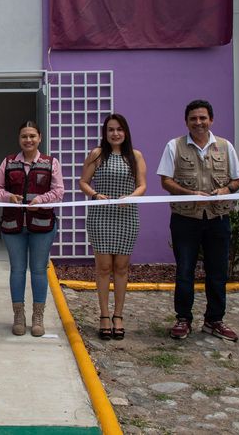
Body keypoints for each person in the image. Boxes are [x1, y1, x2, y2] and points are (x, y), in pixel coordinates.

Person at [156, 99, 239, 341]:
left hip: (218, 218)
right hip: (186, 218)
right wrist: (189, 193)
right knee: (185, 270)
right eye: (193, 118)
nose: (198, 122)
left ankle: (215, 320)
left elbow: (237, 179)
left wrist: (227, 190)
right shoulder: (174, 146)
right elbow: (166, 181)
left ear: (211, 120)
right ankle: (183, 318)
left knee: (217, 271)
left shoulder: (225, 147)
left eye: (203, 118)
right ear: (186, 122)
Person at [0, 121, 64, 337]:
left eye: (32, 136)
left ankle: (38, 316)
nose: (28, 140)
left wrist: (42, 199)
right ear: (19, 139)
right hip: (13, 226)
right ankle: (19, 315)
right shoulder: (9, 162)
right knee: (17, 270)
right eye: (24, 136)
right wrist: (7, 197)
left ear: (39, 138)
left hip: (42, 225)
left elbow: (59, 191)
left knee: (40, 270)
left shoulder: (51, 162)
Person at [80, 114, 146, 340]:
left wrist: (130, 197)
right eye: (110, 130)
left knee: (121, 267)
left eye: (119, 129)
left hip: (126, 216)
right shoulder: (97, 154)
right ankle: (104, 315)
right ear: (105, 133)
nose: (115, 133)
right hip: (101, 216)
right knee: (103, 267)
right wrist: (96, 195)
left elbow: (142, 185)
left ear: (125, 132)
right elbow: (83, 182)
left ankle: (119, 315)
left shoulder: (135, 156)